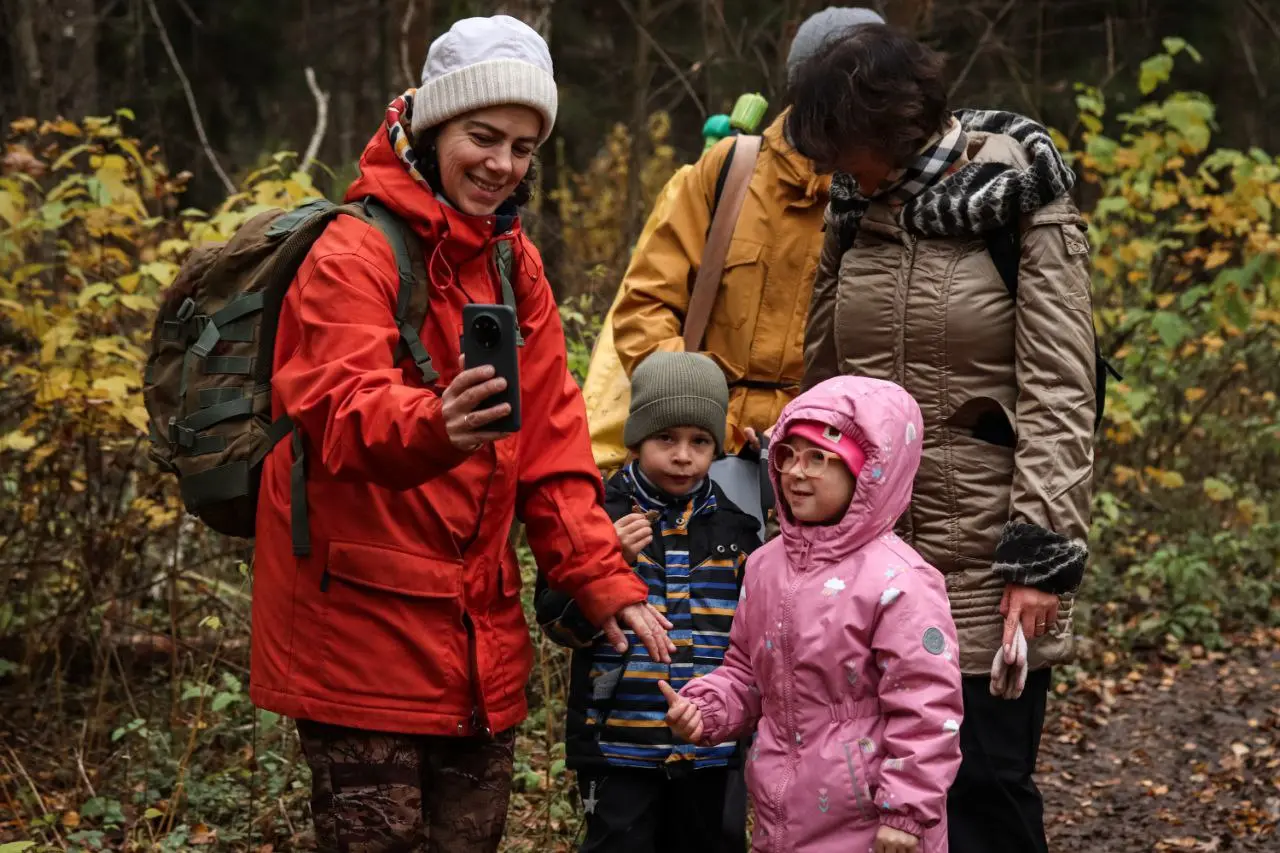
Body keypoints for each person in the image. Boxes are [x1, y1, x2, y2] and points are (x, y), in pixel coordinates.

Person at [247, 16, 674, 853]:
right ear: (434, 126)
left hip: (480, 637)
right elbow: (332, 409)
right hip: (358, 635)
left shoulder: (516, 264)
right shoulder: (352, 253)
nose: (501, 164)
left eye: (522, 147)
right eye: (482, 137)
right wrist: (435, 424)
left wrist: (598, 574)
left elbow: (553, 443)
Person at [789, 24, 1097, 853]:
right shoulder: (854, 206)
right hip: (871, 557)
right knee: (873, 792)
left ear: (889, 124)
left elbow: (1062, 389)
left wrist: (1040, 556)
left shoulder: (1020, 195)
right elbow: (824, 378)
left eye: (840, 144)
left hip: (986, 549)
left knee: (986, 786)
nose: (830, 167)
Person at [661, 376, 964, 853]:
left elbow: (927, 709)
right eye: (788, 455)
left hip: (873, 824)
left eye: (818, 458)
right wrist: (708, 708)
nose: (796, 473)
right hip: (780, 815)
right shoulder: (765, 565)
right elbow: (747, 672)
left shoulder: (902, 580)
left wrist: (905, 811)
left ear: (869, 472)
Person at [607, 7, 885, 458]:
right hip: (703, 452)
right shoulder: (730, 170)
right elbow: (646, 305)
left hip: (825, 456)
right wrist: (698, 418)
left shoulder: (885, 194)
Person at [536, 352, 763, 853]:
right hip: (615, 747)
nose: (683, 456)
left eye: (699, 441)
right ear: (636, 438)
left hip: (712, 748)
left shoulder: (740, 528)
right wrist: (603, 563)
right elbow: (556, 624)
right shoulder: (595, 516)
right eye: (666, 438)